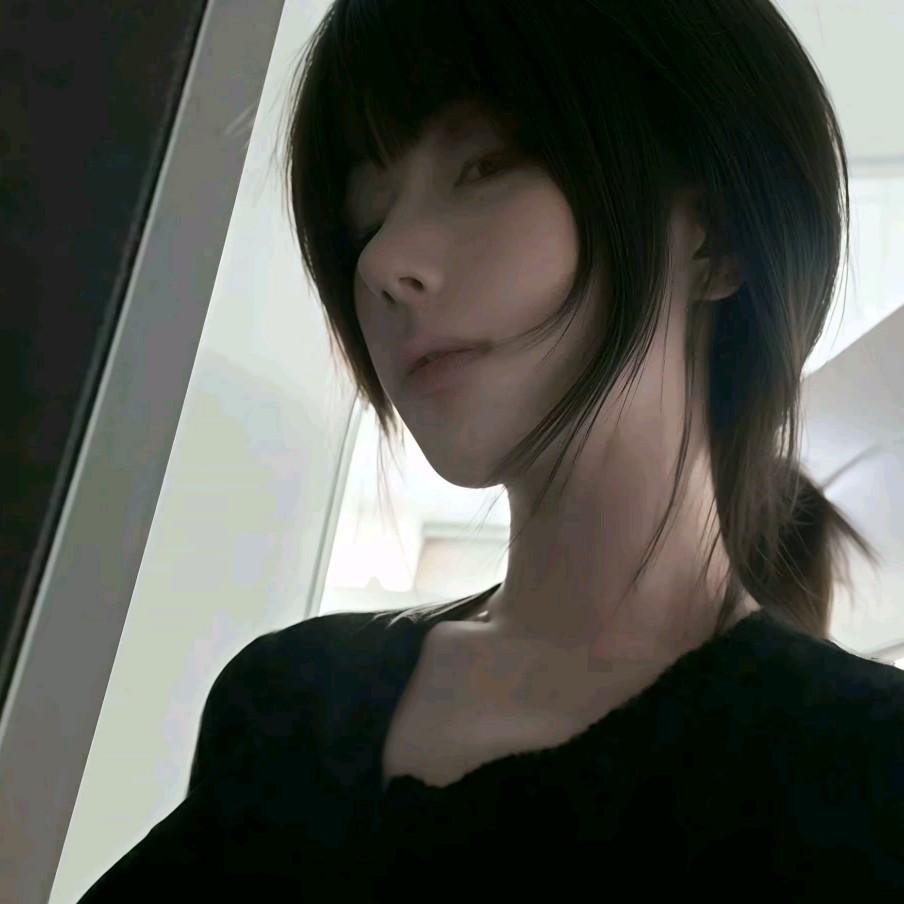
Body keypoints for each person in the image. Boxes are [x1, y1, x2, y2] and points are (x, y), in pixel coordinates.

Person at [78, 1, 904, 900]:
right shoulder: (292, 703)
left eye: (483, 166)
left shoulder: (864, 776)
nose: (382, 263)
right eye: (365, 217)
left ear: (714, 236)